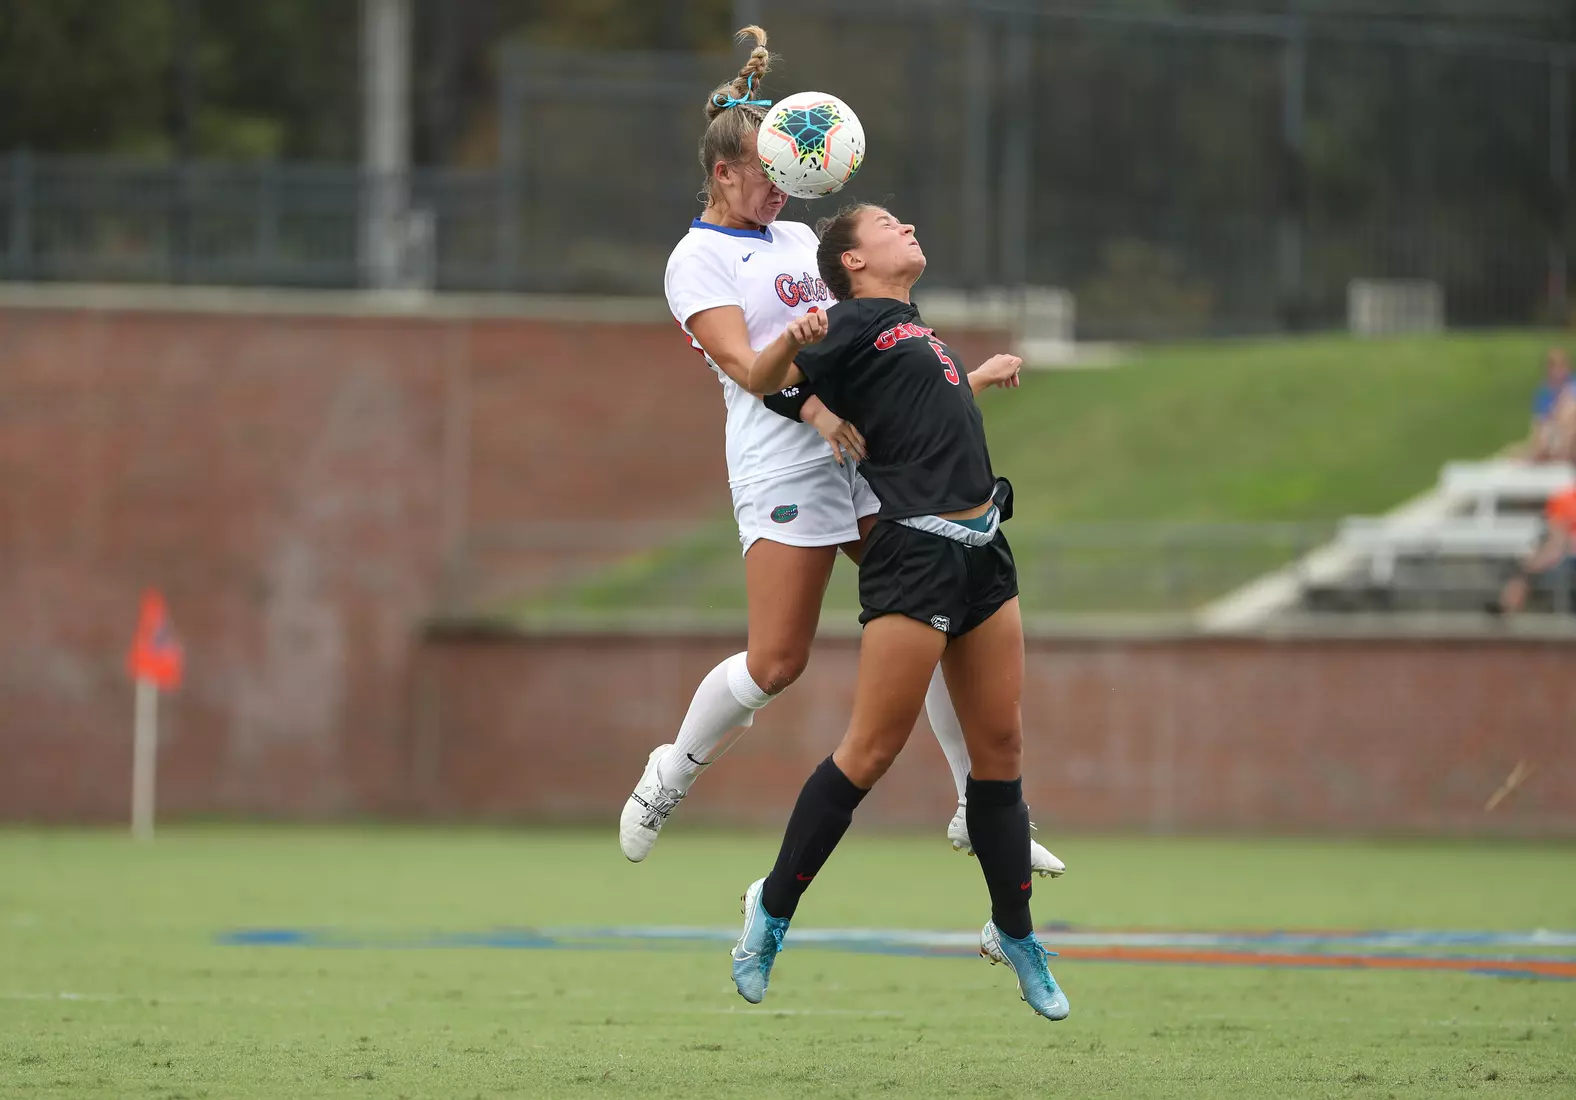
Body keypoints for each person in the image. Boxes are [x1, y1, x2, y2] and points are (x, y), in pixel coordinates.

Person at [617, 26, 1064, 881]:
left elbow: (871, 352)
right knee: (777, 661)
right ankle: (672, 770)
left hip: (861, 459)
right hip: (782, 462)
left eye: (791, 173)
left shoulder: (797, 242)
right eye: (766, 174)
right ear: (723, 173)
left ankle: (981, 804)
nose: (782, 189)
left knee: (929, 610)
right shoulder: (696, 258)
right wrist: (818, 412)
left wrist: (956, 382)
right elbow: (751, 369)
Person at [727, 203, 1069, 1021]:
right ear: (851, 261)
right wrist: (809, 391)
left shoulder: (908, 326)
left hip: (984, 546)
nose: (907, 224)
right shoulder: (844, 322)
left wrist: (972, 379)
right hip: (914, 552)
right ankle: (769, 913)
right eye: (887, 223)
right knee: (871, 751)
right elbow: (770, 383)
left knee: (1001, 747)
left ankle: (1014, 933)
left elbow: (919, 418)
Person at [1488, 484, 1576, 615]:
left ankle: (1507, 606)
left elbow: (1559, 541)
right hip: (1561, 554)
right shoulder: (1563, 499)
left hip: (1563, 555)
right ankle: (1506, 607)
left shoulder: (1563, 499)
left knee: (1528, 569)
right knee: (1524, 572)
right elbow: (1557, 536)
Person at [1526, 348, 1576, 462]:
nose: (1559, 370)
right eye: (1554, 366)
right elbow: (1539, 422)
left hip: (1570, 431)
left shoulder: (1573, 386)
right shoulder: (1544, 392)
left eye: (1562, 365)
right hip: (1555, 432)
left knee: (1569, 407)